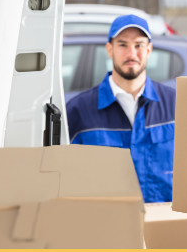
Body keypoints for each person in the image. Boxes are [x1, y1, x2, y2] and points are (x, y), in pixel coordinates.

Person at [66, 14, 176, 203]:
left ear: (149, 50)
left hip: (164, 225)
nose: (131, 54)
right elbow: (66, 179)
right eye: (123, 45)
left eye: (139, 45)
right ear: (110, 50)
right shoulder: (78, 110)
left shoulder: (176, 104)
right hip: (107, 226)